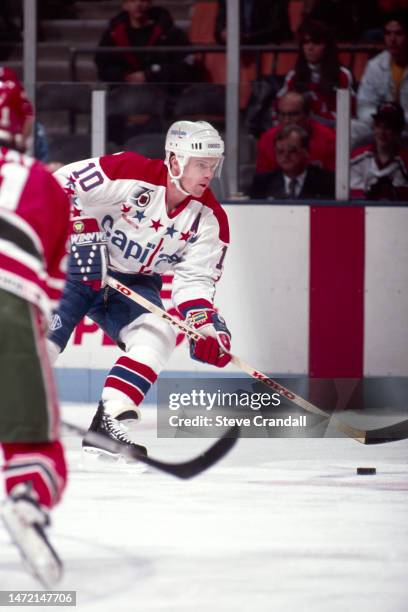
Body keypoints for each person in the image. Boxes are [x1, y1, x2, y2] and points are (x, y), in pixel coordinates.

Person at [47, 120, 231, 460]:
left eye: (213, 166)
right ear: (175, 161)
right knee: (43, 345)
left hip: (133, 284)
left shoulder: (209, 220)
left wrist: (205, 326)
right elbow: (58, 184)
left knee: (158, 333)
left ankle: (108, 421)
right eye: (201, 164)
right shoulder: (129, 171)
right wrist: (80, 227)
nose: (208, 174)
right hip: (78, 267)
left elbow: (194, 283)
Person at [0, 80, 71, 586]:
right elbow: (47, 288)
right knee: (34, 444)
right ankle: (26, 501)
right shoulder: (44, 183)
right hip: (9, 305)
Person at [277, 19, 356, 125]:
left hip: (334, 131)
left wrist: (314, 119)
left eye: (316, 42)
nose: (310, 48)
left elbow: (348, 116)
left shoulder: (342, 75)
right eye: (306, 43)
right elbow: (280, 107)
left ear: (327, 46)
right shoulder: (293, 76)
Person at [352, 11, 408, 147]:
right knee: (351, 129)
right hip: (381, 126)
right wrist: (383, 121)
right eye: (388, 34)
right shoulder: (375, 65)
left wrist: (398, 120)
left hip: (406, 127)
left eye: (398, 34)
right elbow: (364, 106)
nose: (392, 39)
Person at [256, 91, 335, 173]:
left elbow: (334, 180)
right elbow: (263, 180)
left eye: (293, 114)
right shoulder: (266, 140)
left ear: (307, 115)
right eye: (282, 114)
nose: (286, 120)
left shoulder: (329, 139)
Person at [250, 124, 335, 199]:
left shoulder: (327, 182)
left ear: (306, 152)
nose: (286, 156)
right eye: (280, 151)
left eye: (292, 150)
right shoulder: (262, 183)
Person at [350, 102, 408, 200]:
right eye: (378, 125)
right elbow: (355, 200)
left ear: (398, 131)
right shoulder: (356, 158)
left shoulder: (406, 161)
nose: (382, 132)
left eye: (388, 127)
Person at [214, 0, 292, 45]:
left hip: (272, 53)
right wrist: (223, 34)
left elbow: (276, 29)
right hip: (239, 55)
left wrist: (247, 38)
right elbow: (219, 27)